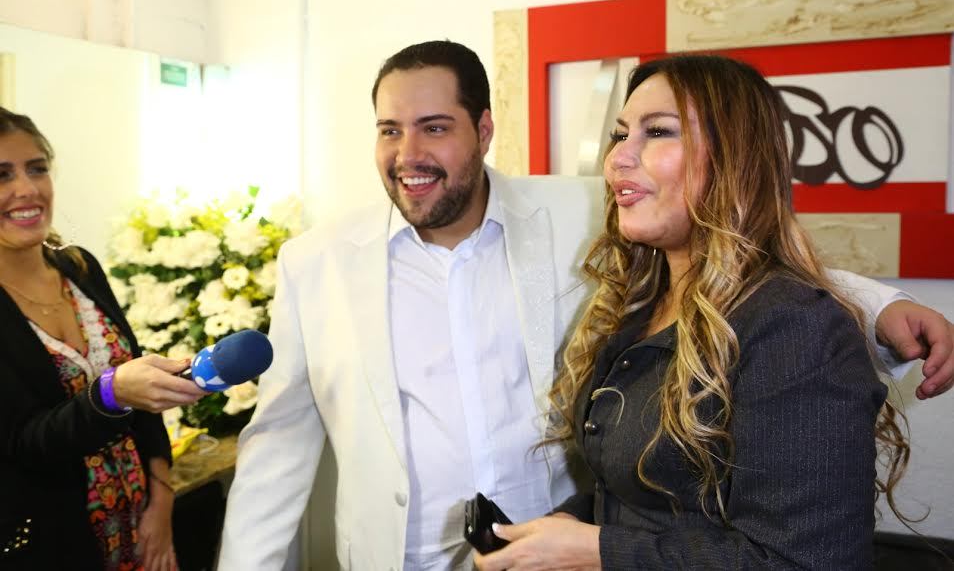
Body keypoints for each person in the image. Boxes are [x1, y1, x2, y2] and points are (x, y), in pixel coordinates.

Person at [218, 41, 954, 571]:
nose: (408, 152)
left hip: (564, 549)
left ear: (483, 130)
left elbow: (740, 241)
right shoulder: (314, 262)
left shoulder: (573, 210)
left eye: (434, 126)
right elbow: (279, 446)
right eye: (389, 128)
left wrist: (878, 305)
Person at [474, 55, 912, 570]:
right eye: (620, 135)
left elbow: (801, 561)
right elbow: (648, 499)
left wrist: (596, 551)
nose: (617, 159)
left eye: (658, 132)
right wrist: (567, 527)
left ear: (734, 158)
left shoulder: (795, 327)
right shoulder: (639, 306)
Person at [0, 107, 206, 571]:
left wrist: (162, 500)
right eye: (2, 175)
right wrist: (111, 394)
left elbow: (141, 394)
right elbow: (24, 445)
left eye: (37, 168)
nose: (27, 189)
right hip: (53, 543)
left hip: (142, 521)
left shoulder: (79, 267)